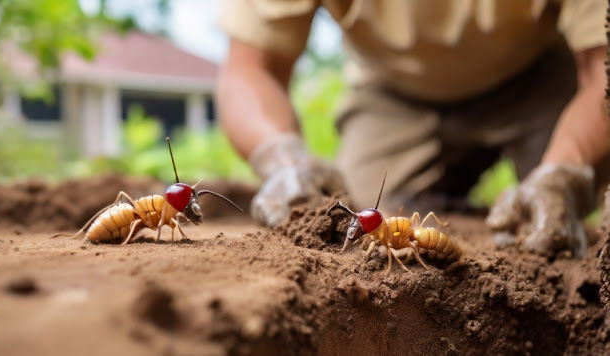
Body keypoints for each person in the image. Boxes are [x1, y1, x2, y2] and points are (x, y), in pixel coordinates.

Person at [216, 0, 610, 258]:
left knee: (554, 220)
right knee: (360, 208)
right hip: (392, 91)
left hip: (538, 74)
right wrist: (283, 158)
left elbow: (603, 72)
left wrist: (566, 168)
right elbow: (250, 69)